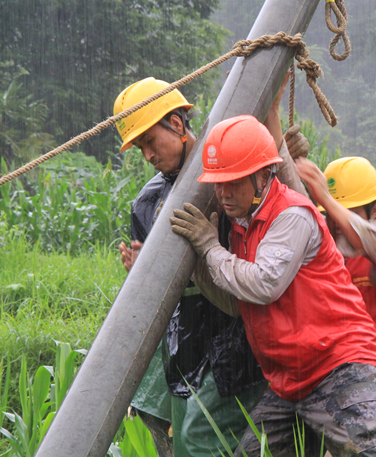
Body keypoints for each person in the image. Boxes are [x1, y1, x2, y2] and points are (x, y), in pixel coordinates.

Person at [169, 115, 376, 457]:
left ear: (263, 175)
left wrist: (210, 249)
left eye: (234, 182)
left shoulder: (290, 215)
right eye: (218, 183)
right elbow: (238, 302)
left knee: (361, 453)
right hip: (290, 380)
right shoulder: (243, 224)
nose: (224, 193)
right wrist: (202, 262)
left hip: (338, 367)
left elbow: (263, 284)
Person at [114, 76, 307, 456]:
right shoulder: (146, 204)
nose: (148, 155)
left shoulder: (232, 175)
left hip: (240, 334)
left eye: (150, 142)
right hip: (186, 339)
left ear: (177, 123)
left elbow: (270, 250)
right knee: (187, 441)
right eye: (140, 148)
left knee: (209, 440)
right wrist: (143, 274)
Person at [295, 156, 376, 456]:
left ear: (375, 210)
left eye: (342, 212)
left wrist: (328, 200)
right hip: (342, 421)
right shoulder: (322, 256)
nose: (334, 222)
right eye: (327, 215)